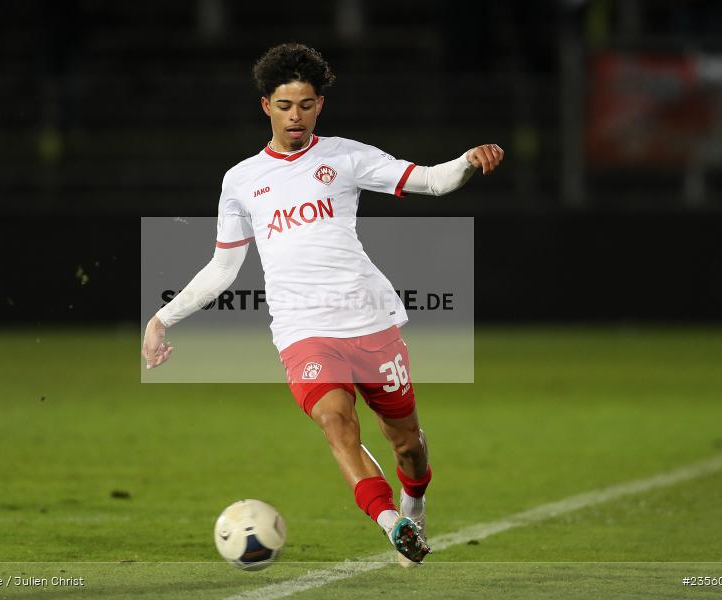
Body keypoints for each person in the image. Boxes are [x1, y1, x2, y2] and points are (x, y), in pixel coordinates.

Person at [142, 43, 504, 565]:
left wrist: (468, 160)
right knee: (337, 422)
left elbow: (429, 180)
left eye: (307, 105)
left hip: (369, 320)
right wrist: (162, 317)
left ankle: (415, 502)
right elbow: (224, 267)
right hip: (302, 329)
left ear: (320, 106)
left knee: (406, 444)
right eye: (286, 106)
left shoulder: (345, 157)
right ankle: (392, 523)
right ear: (266, 105)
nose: (296, 116)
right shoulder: (241, 181)